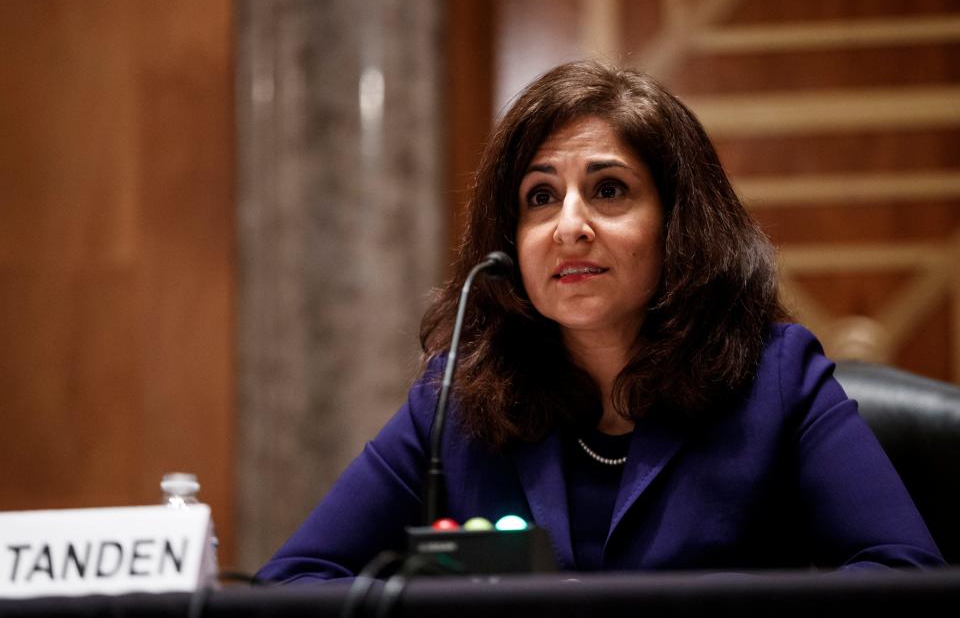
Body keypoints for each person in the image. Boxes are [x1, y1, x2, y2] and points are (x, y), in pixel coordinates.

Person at [257, 61, 944, 583]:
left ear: (680, 224)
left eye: (609, 190)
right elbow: (296, 582)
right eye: (540, 196)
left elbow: (901, 573)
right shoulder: (457, 400)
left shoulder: (778, 380)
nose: (570, 227)